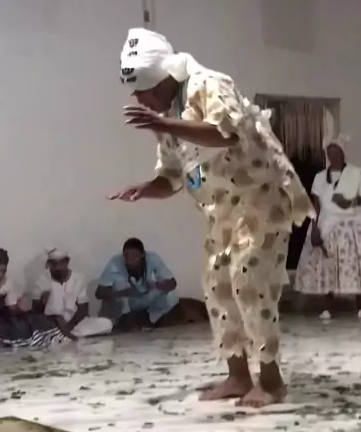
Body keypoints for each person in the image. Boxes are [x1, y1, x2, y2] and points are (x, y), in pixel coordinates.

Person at [109, 28, 313, 407]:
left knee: (248, 280)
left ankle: (271, 381)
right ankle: (237, 376)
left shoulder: (208, 84)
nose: (139, 99)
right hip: (221, 211)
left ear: (163, 78)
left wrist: (163, 124)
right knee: (217, 285)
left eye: (143, 90)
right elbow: (173, 176)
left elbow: (225, 133)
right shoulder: (166, 116)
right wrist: (146, 188)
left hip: (260, 198)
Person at [295, 135, 361, 319]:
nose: (333, 156)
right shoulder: (320, 178)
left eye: (336, 152)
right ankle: (327, 306)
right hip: (328, 223)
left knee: (358, 264)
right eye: (329, 153)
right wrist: (314, 227)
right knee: (327, 264)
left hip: (353, 224)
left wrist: (349, 201)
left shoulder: (356, 174)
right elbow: (316, 204)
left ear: (343, 153)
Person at [96, 238, 180, 330]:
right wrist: (122, 293)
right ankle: (125, 320)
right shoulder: (115, 262)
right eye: (126, 256)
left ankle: (149, 320)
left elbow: (172, 283)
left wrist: (156, 285)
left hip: (145, 298)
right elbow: (99, 293)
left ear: (143, 255)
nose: (129, 260)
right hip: (126, 302)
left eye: (134, 256)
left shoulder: (153, 259)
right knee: (119, 283)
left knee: (171, 296)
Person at [33, 249, 89, 339]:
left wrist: (68, 327)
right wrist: (42, 302)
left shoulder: (79, 278)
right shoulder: (42, 280)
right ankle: (59, 334)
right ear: (49, 264)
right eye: (54, 264)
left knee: (106, 323)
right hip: (52, 323)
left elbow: (83, 309)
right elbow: (35, 312)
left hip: (74, 323)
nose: (57, 267)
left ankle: (62, 334)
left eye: (61, 263)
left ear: (67, 262)